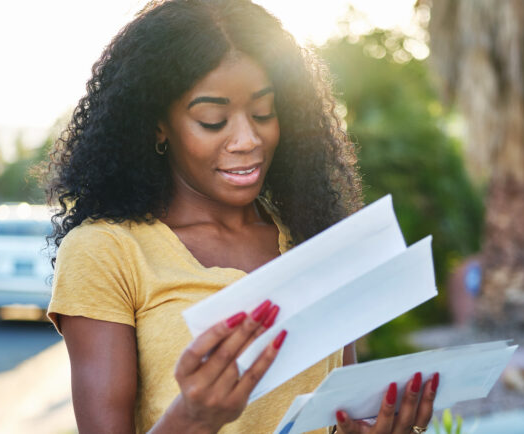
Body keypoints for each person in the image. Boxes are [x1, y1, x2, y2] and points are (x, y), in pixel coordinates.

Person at [42, 1, 438, 432]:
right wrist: (193, 418)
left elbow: (334, 416)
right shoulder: (106, 251)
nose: (247, 139)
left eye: (263, 113)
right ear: (158, 125)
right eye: (213, 119)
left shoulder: (310, 235)